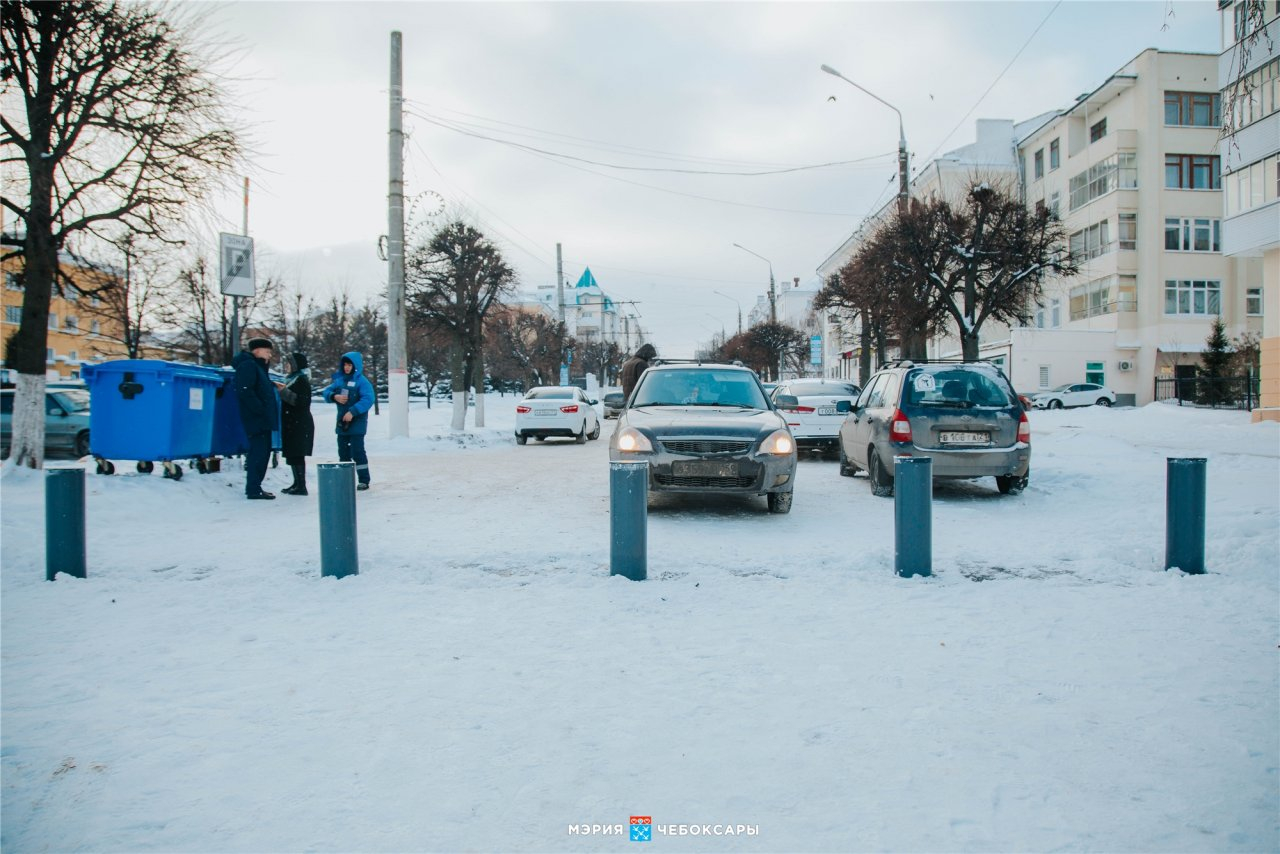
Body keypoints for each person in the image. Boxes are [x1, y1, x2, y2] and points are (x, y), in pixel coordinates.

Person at [232, 337, 280, 500]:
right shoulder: (249, 366)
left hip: (260, 418)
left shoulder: (257, 367)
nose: (269, 355)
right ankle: (253, 488)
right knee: (258, 453)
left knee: (262, 452)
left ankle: (255, 486)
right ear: (257, 350)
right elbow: (246, 391)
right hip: (256, 419)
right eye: (267, 351)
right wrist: (260, 410)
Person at [321, 351, 375, 491]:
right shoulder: (340, 380)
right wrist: (334, 397)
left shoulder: (362, 382)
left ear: (355, 365)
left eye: (349, 364)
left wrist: (353, 411)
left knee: (357, 452)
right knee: (343, 453)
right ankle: (345, 479)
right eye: (344, 364)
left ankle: (364, 479)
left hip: (357, 424)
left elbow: (368, 399)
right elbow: (326, 392)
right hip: (342, 424)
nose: (346, 367)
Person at [274, 352, 315, 496]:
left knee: (297, 454)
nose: (286, 366)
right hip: (293, 423)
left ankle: (301, 485)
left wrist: (283, 391)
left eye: (289, 363)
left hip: (299, 424)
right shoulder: (292, 379)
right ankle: (296, 482)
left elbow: (301, 401)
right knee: (292, 454)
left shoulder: (301, 381)